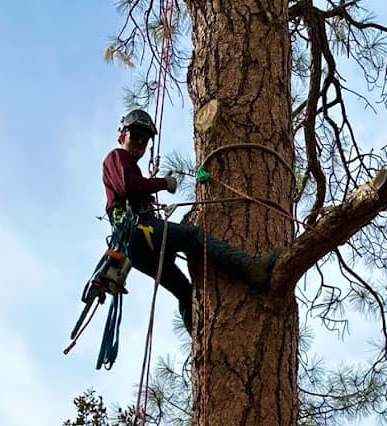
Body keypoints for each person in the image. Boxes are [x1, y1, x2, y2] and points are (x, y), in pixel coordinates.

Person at [102, 108, 278, 332]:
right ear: (122, 136)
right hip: (136, 230)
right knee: (193, 236)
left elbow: (133, 187)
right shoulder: (117, 157)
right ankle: (252, 269)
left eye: (144, 140)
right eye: (135, 136)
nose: (139, 143)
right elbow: (129, 186)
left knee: (183, 289)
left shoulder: (129, 166)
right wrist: (163, 183)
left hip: (138, 247)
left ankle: (197, 335)